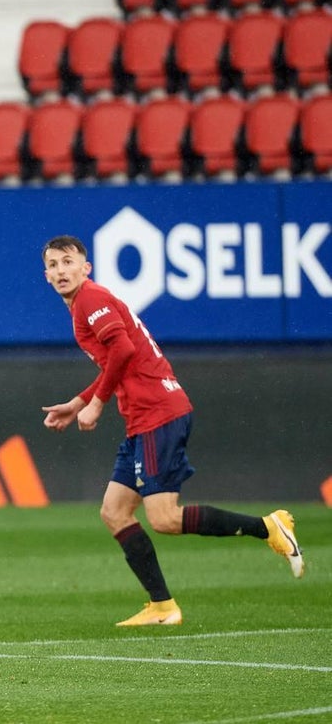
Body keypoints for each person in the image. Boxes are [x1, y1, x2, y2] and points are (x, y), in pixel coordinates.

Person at [39, 235, 304, 627]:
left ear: (86, 267)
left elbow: (125, 351)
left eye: (68, 262)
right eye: (53, 265)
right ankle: (163, 606)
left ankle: (267, 527)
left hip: (157, 413)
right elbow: (118, 357)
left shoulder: (91, 299)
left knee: (163, 518)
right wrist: (79, 401)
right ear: (46, 275)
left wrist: (96, 404)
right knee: (114, 512)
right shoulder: (85, 304)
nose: (61, 271)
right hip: (145, 414)